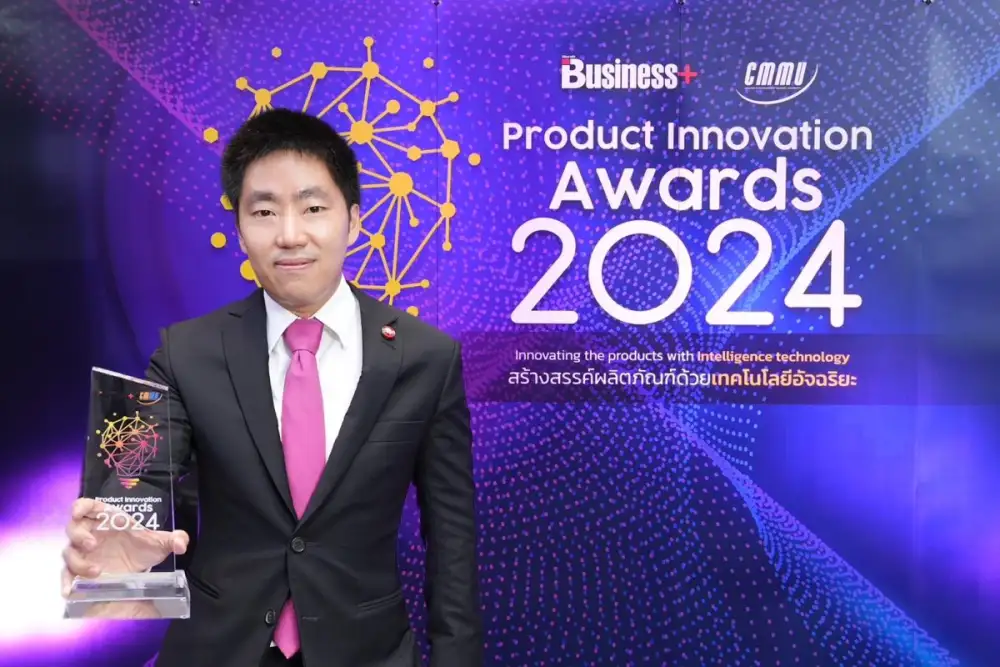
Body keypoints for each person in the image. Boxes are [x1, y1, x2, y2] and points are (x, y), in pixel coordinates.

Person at [60, 108, 483, 667]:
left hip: (366, 651)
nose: (289, 235)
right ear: (239, 229)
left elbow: (451, 538)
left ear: (354, 221)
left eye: (313, 208)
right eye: (263, 211)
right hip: (219, 649)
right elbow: (141, 482)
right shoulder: (186, 354)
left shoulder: (425, 358)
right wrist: (111, 540)